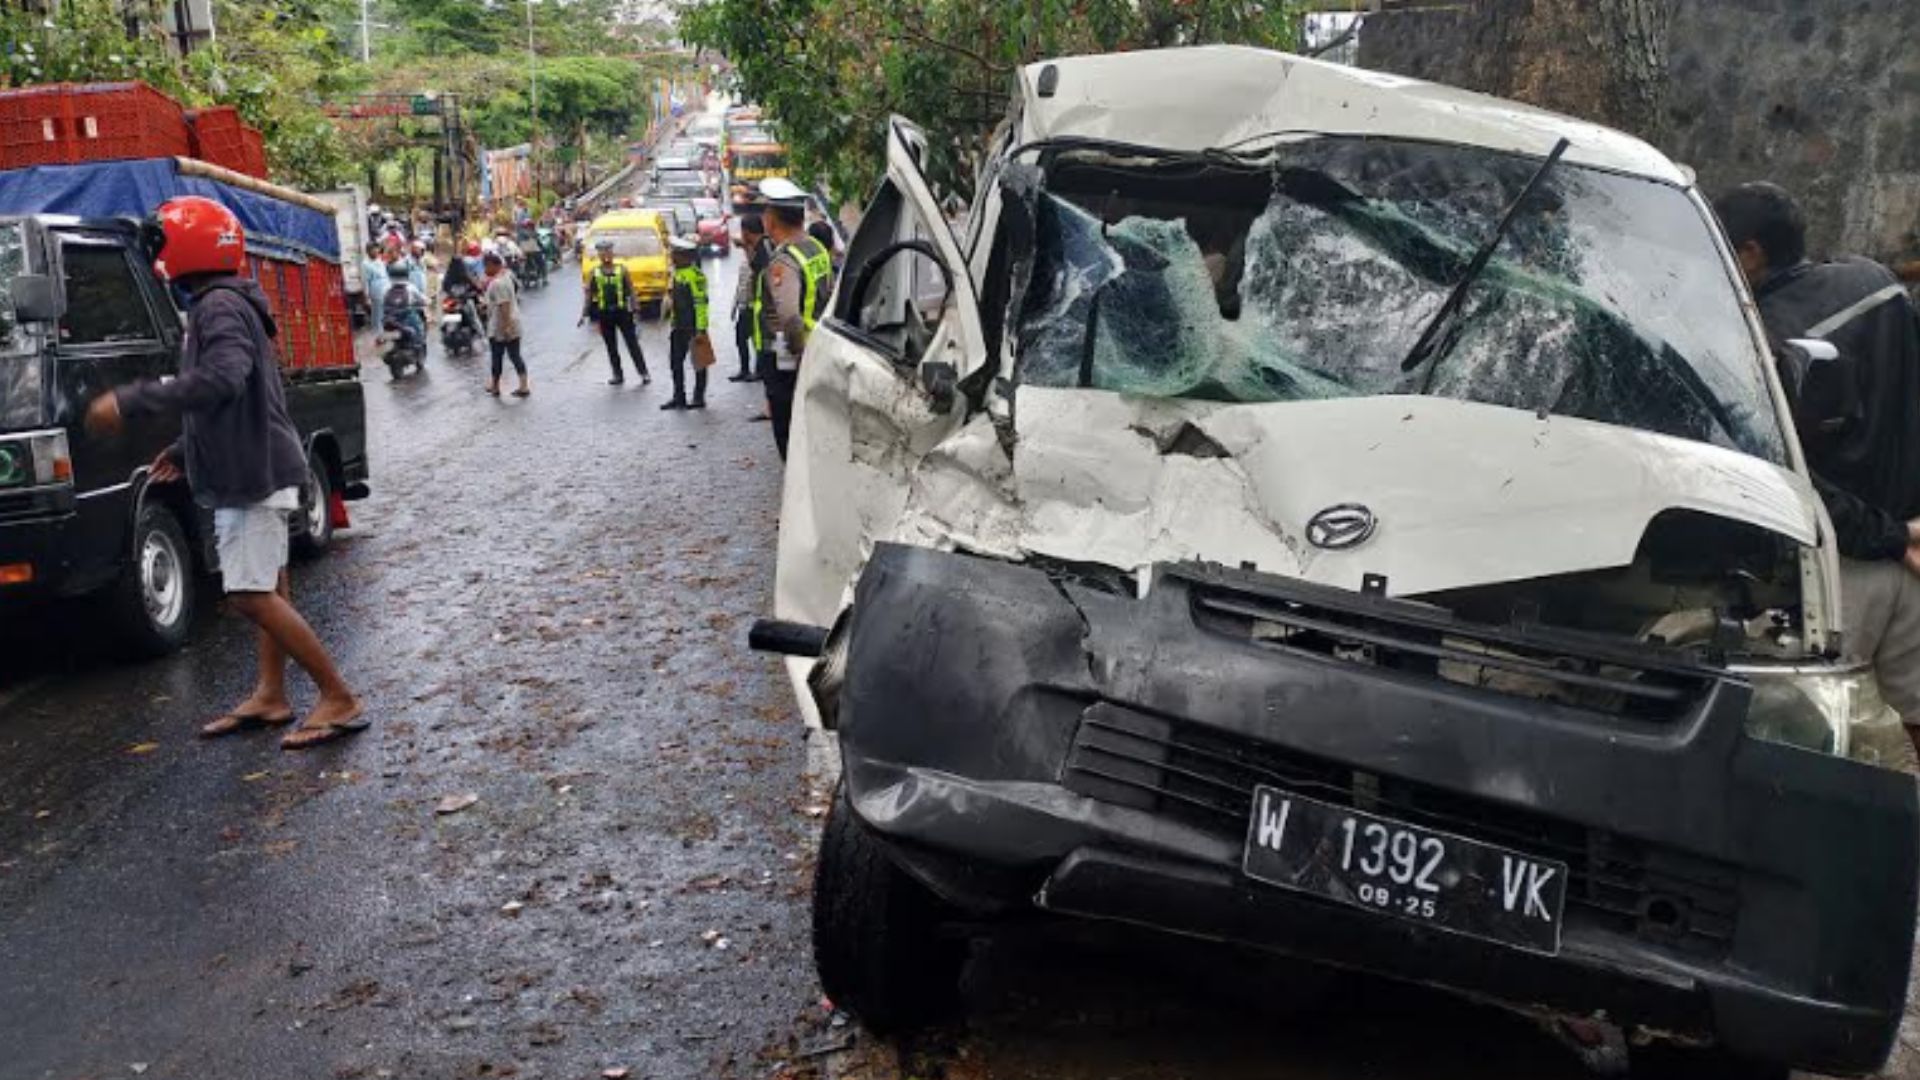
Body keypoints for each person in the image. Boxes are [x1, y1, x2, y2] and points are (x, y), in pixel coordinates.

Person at [82, 196, 364, 750]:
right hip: (258, 461)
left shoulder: (218, 308)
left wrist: (134, 399)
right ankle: (271, 693)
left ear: (187, 249)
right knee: (271, 584)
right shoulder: (226, 302)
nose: (159, 254)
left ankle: (338, 697)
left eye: (164, 242)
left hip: (253, 473)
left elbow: (224, 380)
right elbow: (244, 396)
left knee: (248, 594)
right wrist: (186, 449)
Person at [1715, 182, 1920, 753]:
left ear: (1750, 254)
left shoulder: (1762, 341)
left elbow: (1784, 481)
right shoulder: (1877, 284)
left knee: (1793, 737)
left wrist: (1891, 537)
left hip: (1841, 565)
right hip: (1911, 550)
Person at [758, 178, 833, 460]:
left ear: (772, 219)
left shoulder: (784, 261)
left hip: (790, 360)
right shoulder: (815, 248)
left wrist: (798, 354)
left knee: (789, 435)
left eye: (766, 212)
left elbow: (789, 317)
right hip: (820, 346)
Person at [579, 238, 650, 385]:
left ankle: (644, 373)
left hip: (623, 312)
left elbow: (631, 290)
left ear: (612, 253)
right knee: (611, 347)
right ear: (598, 254)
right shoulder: (594, 272)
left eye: (608, 251)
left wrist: (636, 308)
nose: (605, 254)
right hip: (605, 314)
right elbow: (589, 295)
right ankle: (617, 374)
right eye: (602, 251)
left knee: (632, 344)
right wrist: (584, 314)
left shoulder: (622, 269)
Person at [662, 235, 711, 410]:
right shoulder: (677, 274)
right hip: (679, 326)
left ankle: (698, 397)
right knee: (675, 362)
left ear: (685, 257)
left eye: (675, 254)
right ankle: (679, 396)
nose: (672, 257)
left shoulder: (695, 276)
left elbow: (701, 304)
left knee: (699, 362)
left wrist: (701, 329)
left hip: (692, 327)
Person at [482, 252, 530, 398]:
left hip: (501, 326)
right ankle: (523, 385)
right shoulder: (507, 276)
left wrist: (506, 327)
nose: (485, 269)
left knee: (497, 356)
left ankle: (496, 386)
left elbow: (504, 305)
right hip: (512, 321)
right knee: (515, 355)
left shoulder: (498, 283)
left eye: (486, 266)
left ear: (493, 265)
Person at [729, 213, 770, 385]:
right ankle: (749, 369)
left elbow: (755, 274)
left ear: (747, 231)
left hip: (756, 305)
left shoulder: (762, 250)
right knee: (746, 338)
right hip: (749, 304)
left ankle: (758, 371)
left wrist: (746, 246)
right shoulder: (759, 246)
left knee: (756, 339)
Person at [361, 242, 390, 341]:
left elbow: (386, 275)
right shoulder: (365, 264)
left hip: (385, 288)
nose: (376, 251)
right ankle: (378, 336)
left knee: (384, 314)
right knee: (377, 314)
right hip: (376, 290)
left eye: (377, 249)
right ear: (368, 251)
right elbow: (365, 281)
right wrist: (367, 296)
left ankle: (381, 333)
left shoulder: (380, 261)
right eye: (373, 249)